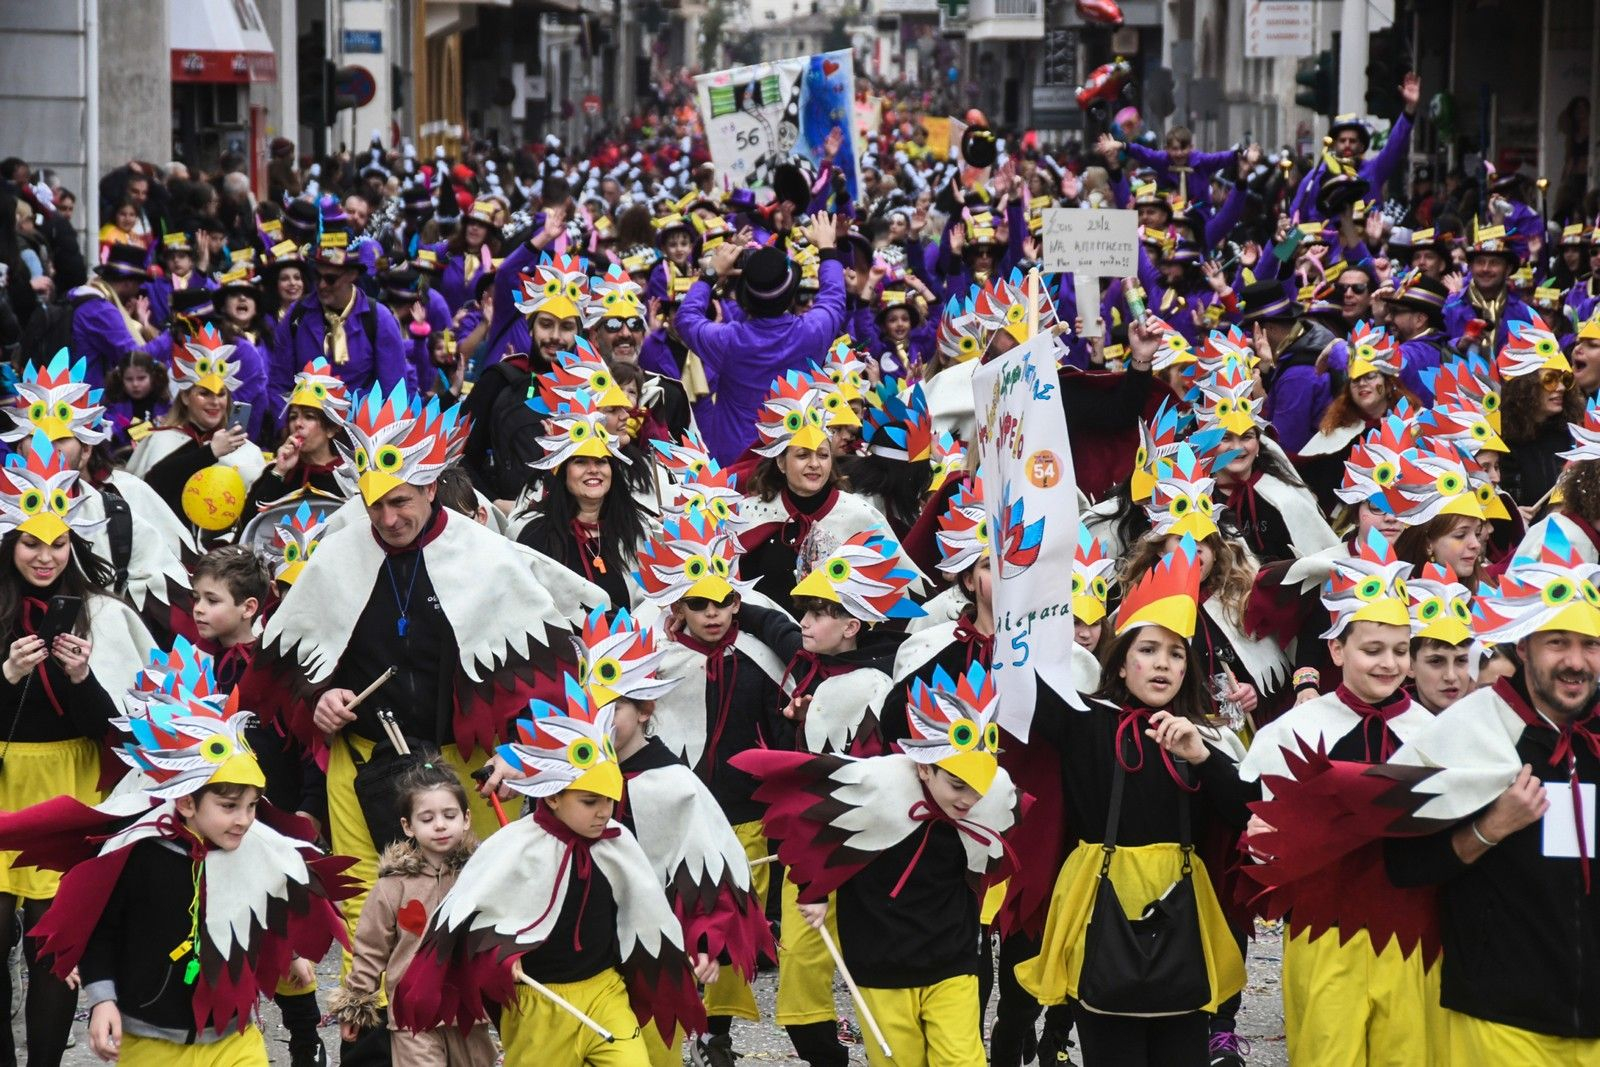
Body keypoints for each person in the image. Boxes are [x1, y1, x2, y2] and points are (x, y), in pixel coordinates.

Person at [243, 381, 606, 962]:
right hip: (363, 758)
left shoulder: (486, 559)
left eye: (401, 502)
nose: (387, 519)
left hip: (466, 761)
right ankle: (379, 1037)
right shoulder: (338, 551)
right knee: (373, 913)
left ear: (432, 488)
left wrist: (520, 751)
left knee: (480, 908)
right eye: (374, 506)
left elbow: (548, 676)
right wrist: (320, 699)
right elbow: (291, 660)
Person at [0, 638, 351, 1067]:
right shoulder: (139, 853)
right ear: (186, 802)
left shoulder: (258, 846)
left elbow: (272, 899)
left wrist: (292, 956)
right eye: (228, 807)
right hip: (150, 1042)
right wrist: (102, 1002)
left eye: (251, 806)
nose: (243, 820)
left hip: (233, 1034)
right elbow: (103, 931)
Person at [1017, 536, 1251, 1066]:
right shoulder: (1083, 723)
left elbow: (1245, 812)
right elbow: (1019, 682)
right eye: (1147, 650)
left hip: (1181, 901)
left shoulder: (1202, 736)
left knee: (1183, 1045)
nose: (1162, 665)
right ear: (1121, 663)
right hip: (1099, 894)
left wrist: (1202, 757)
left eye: (1175, 654)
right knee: (1109, 1040)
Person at [391, 691, 710, 1066]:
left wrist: (689, 946)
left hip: (606, 992)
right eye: (590, 802)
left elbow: (649, 910)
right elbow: (471, 919)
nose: (603, 813)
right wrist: (500, 958)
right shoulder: (513, 846)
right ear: (554, 797)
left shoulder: (616, 841)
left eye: (610, 801)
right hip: (540, 1004)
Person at [732, 661, 1022, 1067]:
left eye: (979, 786)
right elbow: (818, 830)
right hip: (880, 966)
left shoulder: (986, 804)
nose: (969, 799)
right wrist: (813, 892)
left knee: (963, 1060)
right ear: (924, 766)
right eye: (957, 784)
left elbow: (996, 852)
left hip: (953, 962)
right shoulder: (875, 790)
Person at [1239, 530, 1442, 1067]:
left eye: (1400, 650)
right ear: (1336, 648)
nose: (1388, 663)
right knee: (1327, 1052)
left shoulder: (1436, 734)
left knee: (1410, 1052)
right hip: (1322, 931)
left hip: (1414, 933)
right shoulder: (1293, 730)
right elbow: (1259, 828)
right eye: (1372, 649)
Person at [0, 433, 155, 1067]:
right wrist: (6, 676)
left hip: (70, 784)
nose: (45, 557)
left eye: (58, 542)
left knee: (51, 946)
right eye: (32, 542)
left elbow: (123, 732)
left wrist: (82, 679)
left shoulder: (103, 614)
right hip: (7, 781)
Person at [574, 609, 777, 1067]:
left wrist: (707, 941)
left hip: (649, 957)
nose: (599, 718)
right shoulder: (570, 783)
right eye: (589, 704)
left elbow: (711, 870)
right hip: (582, 960)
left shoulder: (674, 786)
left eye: (614, 706)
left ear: (646, 710)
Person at [631, 510, 791, 1065]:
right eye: (699, 603)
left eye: (723, 601)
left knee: (728, 926)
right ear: (677, 606)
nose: (713, 614)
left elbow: (784, 728)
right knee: (672, 919)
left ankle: (718, 1033)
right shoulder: (654, 663)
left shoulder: (763, 655)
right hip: (673, 816)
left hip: (743, 815)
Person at [331, 760, 494, 1066]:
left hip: (469, 1012)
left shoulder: (482, 876)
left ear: (466, 818)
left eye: (449, 815)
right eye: (427, 818)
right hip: (412, 1016)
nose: (440, 825)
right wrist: (357, 1003)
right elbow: (369, 948)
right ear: (408, 826)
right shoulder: (393, 886)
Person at [736, 371, 915, 618]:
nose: (814, 464)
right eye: (802, 456)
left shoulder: (859, 515)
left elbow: (893, 592)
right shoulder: (750, 513)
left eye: (822, 455)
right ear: (780, 462)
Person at [674, 212, 848, 463]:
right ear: (790, 296)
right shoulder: (813, 331)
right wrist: (827, 249)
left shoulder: (729, 341)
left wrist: (711, 273)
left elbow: (686, 319)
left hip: (738, 463)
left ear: (745, 298)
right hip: (795, 459)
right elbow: (834, 297)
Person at [517, 383, 649, 610]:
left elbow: (650, 603)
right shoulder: (534, 534)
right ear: (564, 472)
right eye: (580, 462)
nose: (593, 469)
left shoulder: (635, 530)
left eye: (601, 461)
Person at [124, 323, 265, 528]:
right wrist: (211, 452)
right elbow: (151, 488)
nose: (215, 402)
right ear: (186, 397)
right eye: (204, 394)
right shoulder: (161, 440)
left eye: (220, 394)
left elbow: (256, 506)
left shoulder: (245, 449)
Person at [271, 230, 413, 403]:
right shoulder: (297, 315)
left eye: (330, 279)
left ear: (352, 275)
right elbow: (279, 382)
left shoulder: (380, 319)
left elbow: (394, 393)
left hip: (360, 426)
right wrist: (285, 427)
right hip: (306, 425)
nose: (322, 285)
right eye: (317, 276)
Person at [1496, 318, 1585, 508]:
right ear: (1525, 387)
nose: (1561, 388)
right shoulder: (1499, 442)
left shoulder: (1572, 434)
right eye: (1550, 379)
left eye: (1565, 379)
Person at [68, 242, 167, 384]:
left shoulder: (83, 298)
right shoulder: (100, 310)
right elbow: (136, 360)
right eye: (138, 284)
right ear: (128, 283)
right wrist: (170, 337)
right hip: (89, 399)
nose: (138, 290)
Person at [101, 351, 169, 451]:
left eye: (141, 378)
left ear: (153, 376)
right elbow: (111, 435)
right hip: (123, 459)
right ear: (121, 379)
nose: (135, 384)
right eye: (129, 379)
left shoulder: (164, 404)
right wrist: (143, 429)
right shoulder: (114, 406)